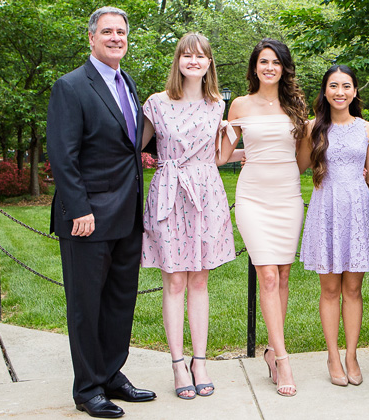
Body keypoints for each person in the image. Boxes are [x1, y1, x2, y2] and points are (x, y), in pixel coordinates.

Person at [46, 7, 155, 418]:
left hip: (127, 214)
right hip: (87, 217)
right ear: (91, 38)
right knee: (86, 305)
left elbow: (124, 142)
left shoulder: (127, 81)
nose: (115, 37)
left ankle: (112, 375)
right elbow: (63, 153)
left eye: (121, 32)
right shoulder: (71, 86)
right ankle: (88, 388)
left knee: (119, 301)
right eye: (107, 31)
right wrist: (78, 209)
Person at [139, 32, 236, 400]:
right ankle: (177, 363)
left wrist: (237, 138)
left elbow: (218, 157)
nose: (194, 61)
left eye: (201, 56)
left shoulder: (216, 105)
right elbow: (135, 147)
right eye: (187, 55)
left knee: (199, 281)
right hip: (168, 192)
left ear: (209, 63)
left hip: (206, 194)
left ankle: (200, 361)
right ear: (177, 61)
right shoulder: (157, 103)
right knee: (174, 281)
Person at [217, 38, 308, 397]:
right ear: (254, 67)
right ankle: (283, 359)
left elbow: (301, 159)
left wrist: (278, 165)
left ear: (284, 67)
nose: (269, 67)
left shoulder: (295, 105)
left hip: (287, 195)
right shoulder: (239, 104)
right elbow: (223, 155)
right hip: (252, 196)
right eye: (263, 62)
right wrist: (224, 135)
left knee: (283, 275)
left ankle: (271, 350)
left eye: (276, 62)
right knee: (267, 275)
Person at [297, 65, 369, 387]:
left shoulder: (367, 129)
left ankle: (351, 354)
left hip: (359, 210)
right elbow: (299, 165)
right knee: (330, 290)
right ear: (325, 91)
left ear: (354, 91)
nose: (339, 91)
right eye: (333, 86)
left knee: (353, 290)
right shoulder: (313, 128)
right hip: (327, 208)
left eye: (346, 86)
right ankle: (332, 355)